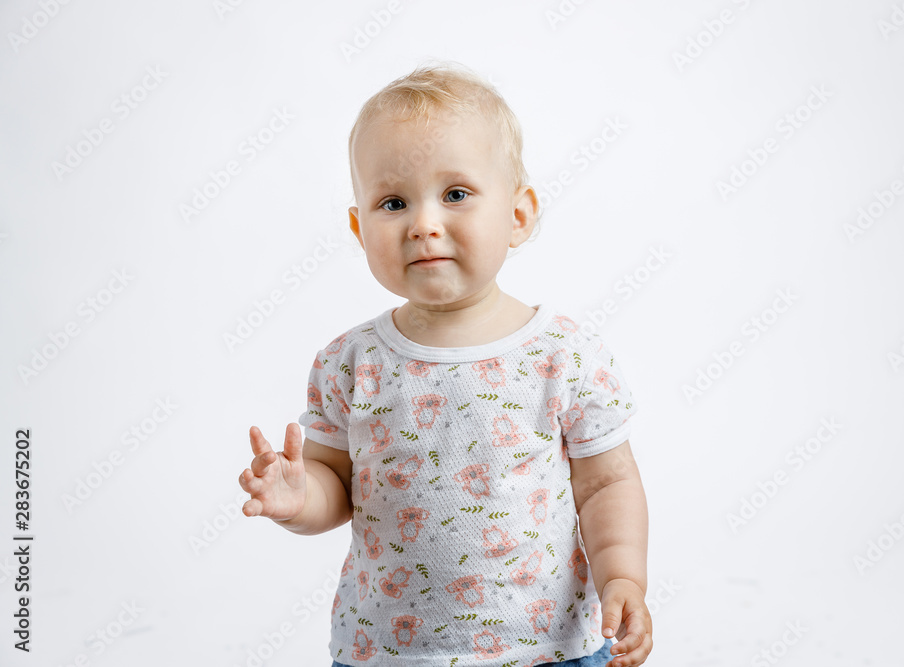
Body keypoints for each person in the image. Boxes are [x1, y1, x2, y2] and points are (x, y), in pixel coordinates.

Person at [239, 62, 652, 667]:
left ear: (518, 214)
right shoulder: (351, 362)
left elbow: (607, 483)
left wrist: (625, 578)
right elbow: (336, 486)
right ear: (358, 229)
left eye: (456, 194)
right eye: (392, 202)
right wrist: (298, 499)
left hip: (546, 648)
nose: (423, 224)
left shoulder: (564, 355)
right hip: (386, 650)